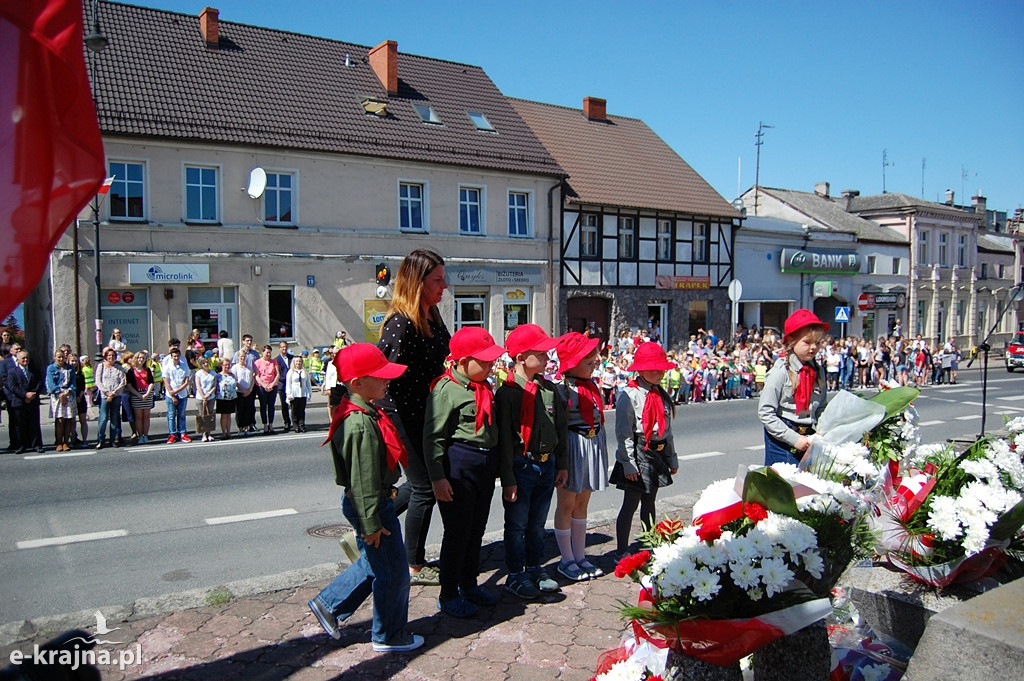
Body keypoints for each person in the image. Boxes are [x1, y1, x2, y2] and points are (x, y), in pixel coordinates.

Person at [307, 343, 424, 653]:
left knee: (378, 563)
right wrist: (371, 521)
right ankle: (388, 635)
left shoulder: (364, 411)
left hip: (370, 501)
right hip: (371, 503)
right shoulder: (360, 422)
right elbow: (363, 479)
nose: (387, 381)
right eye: (380, 376)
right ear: (357, 383)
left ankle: (328, 604)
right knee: (396, 573)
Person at [377, 249, 451, 586]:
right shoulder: (401, 322)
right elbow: (385, 376)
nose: (444, 286)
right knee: (425, 488)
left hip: (427, 413)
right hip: (402, 415)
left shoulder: (431, 313)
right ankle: (413, 564)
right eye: (437, 280)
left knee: (421, 484)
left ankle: (373, 523)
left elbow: (444, 356)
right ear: (417, 282)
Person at [423, 327, 505, 617]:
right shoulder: (446, 390)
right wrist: (437, 477)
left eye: (491, 361)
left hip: (483, 466)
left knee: (476, 530)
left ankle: (469, 585)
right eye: (482, 361)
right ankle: (448, 594)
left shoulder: (483, 387)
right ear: (461, 361)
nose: (490, 365)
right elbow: (433, 436)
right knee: (457, 533)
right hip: (459, 465)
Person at [496, 324, 567, 600]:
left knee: (538, 524)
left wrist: (562, 465)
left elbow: (559, 430)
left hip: (546, 465)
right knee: (516, 525)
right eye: (541, 353)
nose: (548, 358)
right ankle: (515, 574)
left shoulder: (548, 390)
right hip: (521, 466)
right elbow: (503, 440)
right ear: (521, 358)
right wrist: (508, 479)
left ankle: (535, 568)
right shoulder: (509, 394)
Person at [611, 342, 678, 556]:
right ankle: (622, 550)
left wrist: (671, 458)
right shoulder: (629, 395)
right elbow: (624, 434)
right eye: (653, 368)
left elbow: (667, 431)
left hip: (656, 453)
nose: (659, 373)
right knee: (631, 503)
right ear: (640, 370)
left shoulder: (661, 394)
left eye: (661, 369)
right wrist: (628, 463)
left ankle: (649, 544)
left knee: (650, 501)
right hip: (638, 452)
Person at [552, 331, 609, 581]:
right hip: (572, 447)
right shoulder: (560, 391)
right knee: (566, 503)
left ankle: (580, 555)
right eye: (588, 361)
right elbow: (559, 428)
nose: (595, 363)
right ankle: (566, 559)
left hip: (591, 445)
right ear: (571, 364)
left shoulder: (593, 386)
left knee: (583, 503)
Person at [757, 309, 829, 467]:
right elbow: (766, 413)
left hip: (810, 438)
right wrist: (794, 439)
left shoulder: (818, 371)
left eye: (817, 343)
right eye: (807, 342)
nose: (813, 348)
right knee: (785, 487)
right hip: (782, 440)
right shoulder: (779, 373)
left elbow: (821, 406)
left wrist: (822, 428)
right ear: (791, 341)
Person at [5, 349, 45, 453]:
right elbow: (12, 386)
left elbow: (40, 383)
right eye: (23, 358)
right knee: (20, 426)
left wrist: (33, 394)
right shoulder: (12, 372)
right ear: (18, 360)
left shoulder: (34, 370)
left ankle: (36, 445)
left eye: (27, 357)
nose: (25, 360)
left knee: (34, 424)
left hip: (33, 400)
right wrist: (25, 395)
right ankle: (20, 445)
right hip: (19, 401)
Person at [45, 349, 77, 451]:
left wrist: (69, 391)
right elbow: (50, 383)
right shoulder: (51, 368)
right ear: (55, 357)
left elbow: (73, 382)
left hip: (68, 394)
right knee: (60, 420)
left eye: (62, 357)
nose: (61, 359)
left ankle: (66, 442)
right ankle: (58, 442)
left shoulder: (70, 368)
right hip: (57, 395)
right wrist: (59, 393)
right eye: (59, 357)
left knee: (68, 419)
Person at [94, 347, 126, 449]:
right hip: (105, 396)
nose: (111, 357)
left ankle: (114, 439)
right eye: (109, 356)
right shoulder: (101, 366)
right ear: (105, 357)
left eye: (112, 355)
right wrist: (107, 393)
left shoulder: (119, 367)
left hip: (116, 395)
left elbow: (123, 381)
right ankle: (100, 439)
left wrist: (114, 393)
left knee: (115, 417)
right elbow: (98, 381)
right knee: (103, 419)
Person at [125, 351, 155, 444]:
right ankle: (140, 435)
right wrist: (138, 394)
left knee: (146, 416)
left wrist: (147, 394)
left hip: (147, 394)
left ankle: (145, 435)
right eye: (139, 358)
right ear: (136, 359)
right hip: (136, 394)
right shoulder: (131, 371)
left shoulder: (148, 370)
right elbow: (129, 385)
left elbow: (151, 382)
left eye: (143, 358)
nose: (141, 359)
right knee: (138, 417)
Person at [164, 346, 192, 443]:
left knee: (181, 414)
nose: (176, 358)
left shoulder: (184, 366)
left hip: (182, 394)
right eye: (174, 356)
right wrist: (172, 395)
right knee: (171, 415)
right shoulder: (167, 367)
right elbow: (166, 381)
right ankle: (172, 434)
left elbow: (186, 381)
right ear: (171, 356)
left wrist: (176, 392)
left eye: (177, 356)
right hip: (170, 394)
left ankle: (183, 433)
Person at [254, 345, 281, 434]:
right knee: (263, 406)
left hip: (273, 386)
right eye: (267, 352)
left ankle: (271, 424)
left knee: (271, 406)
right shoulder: (257, 362)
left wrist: (272, 385)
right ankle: (265, 425)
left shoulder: (274, 362)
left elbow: (277, 375)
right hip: (262, 386)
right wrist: (264, 386)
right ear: (262, 353)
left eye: (269, 353)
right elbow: (257, 376)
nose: (268, 354)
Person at [231, 350, 256, 435]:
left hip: (249, 391)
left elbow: (252, 379)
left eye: (244, 356)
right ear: (238, 357)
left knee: (248, 409)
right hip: (239, 392)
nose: (243, 358)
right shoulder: (235, 368)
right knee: (239, 410)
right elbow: (235, 380)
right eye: (241, 356)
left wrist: (250, 389)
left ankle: (246, 427)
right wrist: (243, 390)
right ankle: (240, 428)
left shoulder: (248, 367)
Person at [285, 355, 312, 433]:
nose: (298, 363)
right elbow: (288, 384)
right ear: (294, 362)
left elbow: (308, 383)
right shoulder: (290, 372)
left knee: (301, 410)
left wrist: (309, 392)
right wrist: (289, 394)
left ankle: (302, 425)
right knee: (294, 411)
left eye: (300, 361)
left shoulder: (304, 371)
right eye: (297, 361)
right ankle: (295, 426)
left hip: (303, 393)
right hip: (294, 393)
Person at [194, 356, 217, 442]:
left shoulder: (213, 373)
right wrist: (203, 396)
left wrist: (208, 394)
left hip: (210, 397)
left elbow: (214, 386)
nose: (206, 364)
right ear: (201, 364)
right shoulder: (198, 374)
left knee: (210, 414)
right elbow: (198, 386)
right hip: (200, 397)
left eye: (207, 362)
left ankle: (209, 433)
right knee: (202, 415)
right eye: (204, 363)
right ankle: (203, 433)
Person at [216, 355, 238, 440]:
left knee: (229, 415)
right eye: (225, 365)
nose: (227, 366)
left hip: (231, 397)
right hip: (222, 398)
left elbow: (235, 384)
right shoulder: (218, 376)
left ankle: (229, 432)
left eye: (228, 365)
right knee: (224, 415)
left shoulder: (232, 375)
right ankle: (223, 432)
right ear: (222, 365)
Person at [275, 341, 295, 432]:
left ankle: (295, 422)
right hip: (282, 385)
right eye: (282, 347)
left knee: (294, 405)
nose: (284, 349)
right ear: (279, 348)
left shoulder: (292, 358)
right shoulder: (277, 360)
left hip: (292, 385)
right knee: (284, 405)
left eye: (285, 347)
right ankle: (287, 422)